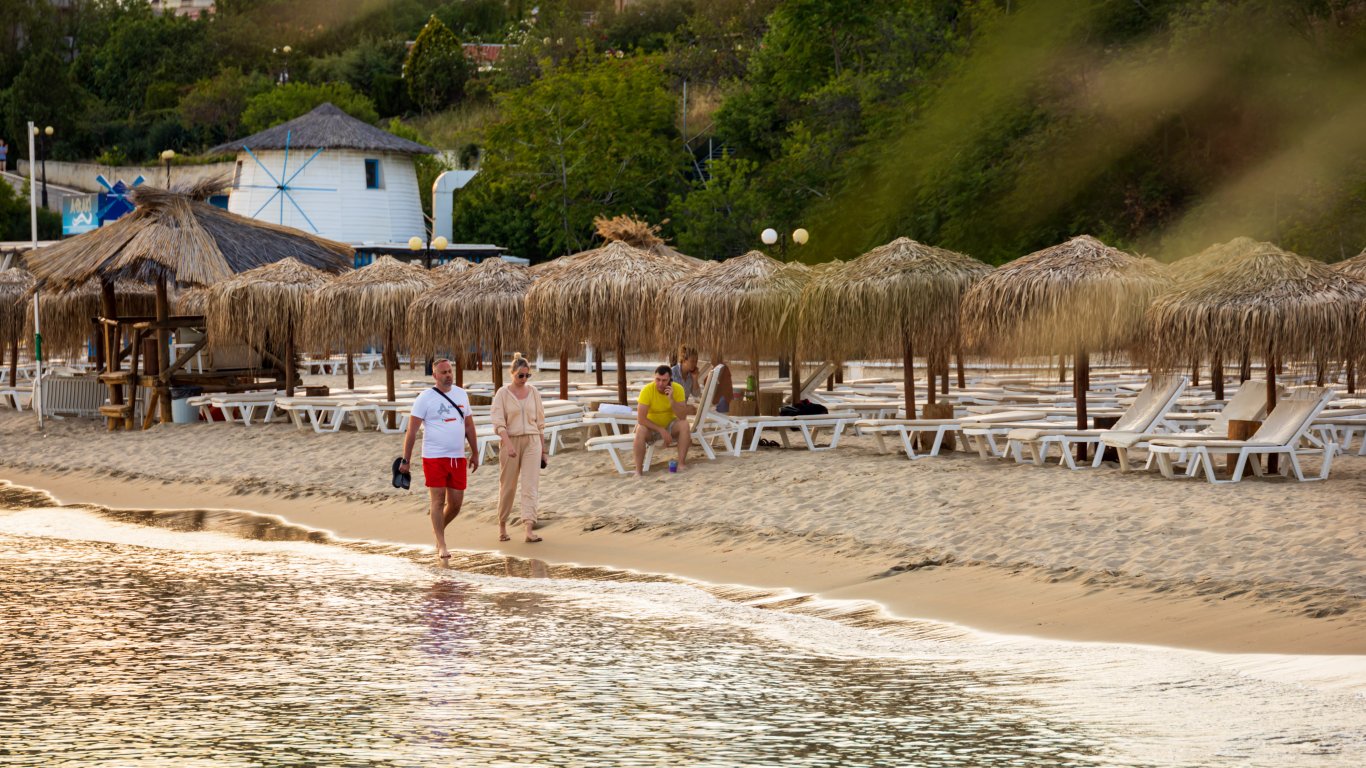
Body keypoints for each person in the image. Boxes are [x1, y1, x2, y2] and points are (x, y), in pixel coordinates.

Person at [401, 358, 478, 560]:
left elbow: (469, 426)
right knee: (437, 500)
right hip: (434, 457)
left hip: (457, 457)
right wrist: (405, 460)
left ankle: (438, 530)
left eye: (450, 371)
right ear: (435, 376)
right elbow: (412, 431)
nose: (448, 375)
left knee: (456, 504)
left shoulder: (461, 394)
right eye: (443, 372)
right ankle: (442, 544)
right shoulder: (425, 398)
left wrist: (476, 452)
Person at [490, 352, 547, 543]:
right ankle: (502, 525)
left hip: (532, 441)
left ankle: (529, 528)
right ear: (512, 374)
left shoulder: (534, 392)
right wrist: (508, 444)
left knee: (530, 485)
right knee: (508, 485)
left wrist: (543, 450)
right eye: (520, 375)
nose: (523, 379)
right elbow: (498, 423)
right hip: (510, 440)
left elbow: (540, 422)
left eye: (527, 375)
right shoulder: (502, 394)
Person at [633, 364, 691, 476]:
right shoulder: (647, 390)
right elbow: (641, 419)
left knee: (684, 424)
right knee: (640, 429)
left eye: (664, 380)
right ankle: (638, 471)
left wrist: (671, 400)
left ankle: (681, 464)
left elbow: (682, 416)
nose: (660, 383)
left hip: (670, 425)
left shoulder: (678, 389)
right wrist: (661, 430)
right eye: (657, 379)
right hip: (651, 427)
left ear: (670, 380)